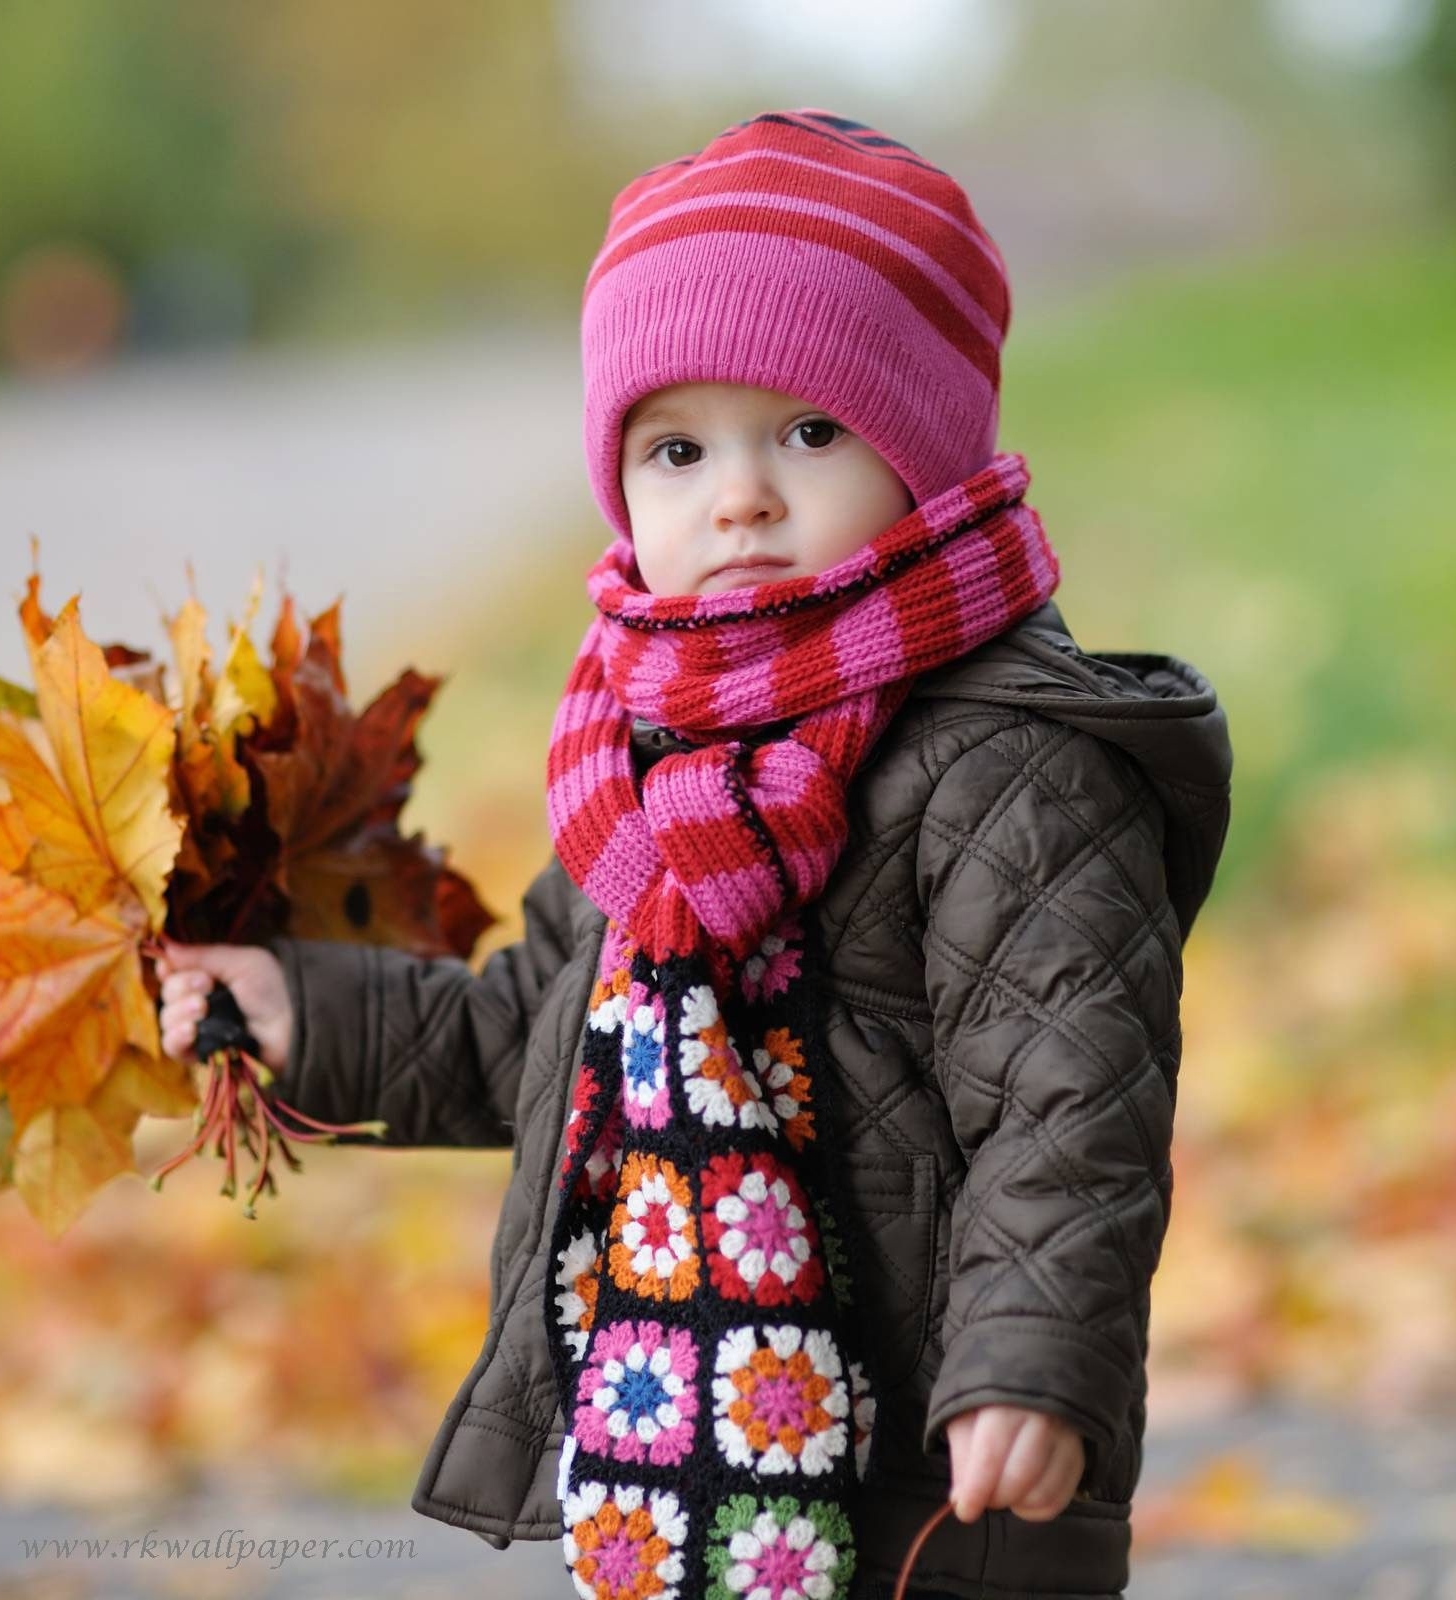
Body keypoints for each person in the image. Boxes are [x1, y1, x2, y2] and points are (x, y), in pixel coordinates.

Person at [155, 108, 1232, 1600]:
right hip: (688, 1442)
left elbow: (1071, 1102)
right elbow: (539, 1035)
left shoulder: (1012, 765)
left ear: (926, 449)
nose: (739, 495)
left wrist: (1035, 1364)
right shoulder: (645, 763)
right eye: (677, 448)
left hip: (927, 1445)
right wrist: (304, 1014)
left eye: (807, 430)